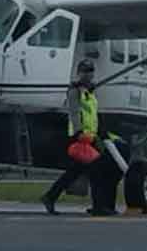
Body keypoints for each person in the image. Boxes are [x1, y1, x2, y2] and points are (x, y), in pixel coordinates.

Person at [41, 59, 113, 216]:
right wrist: (79, 132)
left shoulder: (90, 93)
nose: (88, 74)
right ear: (79, 73)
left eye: (91, 71)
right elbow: (74, 112)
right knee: (96, 170)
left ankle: (50, 197)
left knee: (74, 172)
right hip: (79, 138)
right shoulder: (75, 91)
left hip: (89, 137)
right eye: (85, 71)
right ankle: (98, 207)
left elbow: (93, 116)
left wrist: (100, 132)